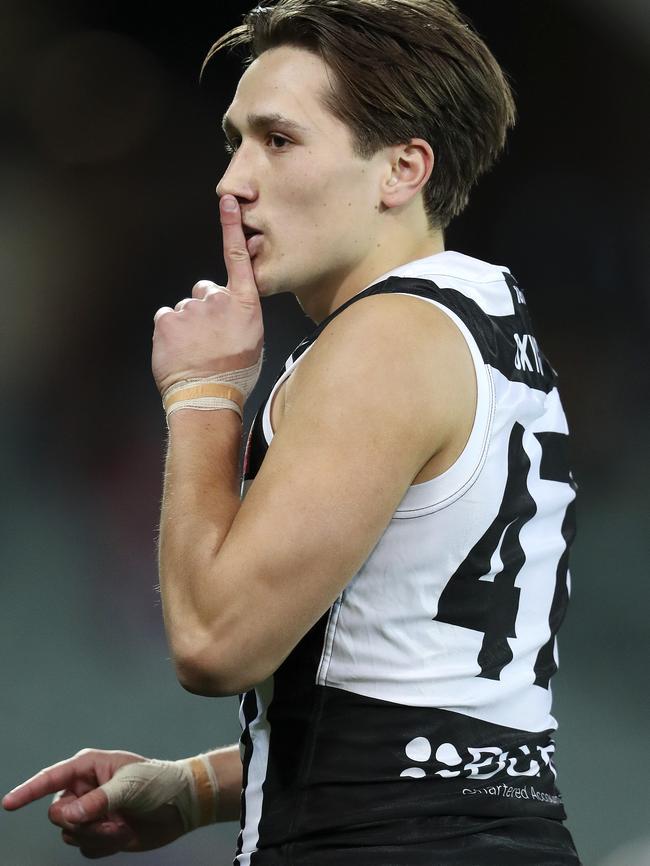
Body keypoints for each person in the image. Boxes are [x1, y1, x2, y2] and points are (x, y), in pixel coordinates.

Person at [2, 1, 582, 863]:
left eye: (278, 140)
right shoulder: (491, 320)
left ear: (401, 170)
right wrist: (196, 786)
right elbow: (438, 712)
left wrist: (204, 393)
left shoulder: (383, 340)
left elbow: (214, 643)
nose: (232, 181)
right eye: (233, 141)